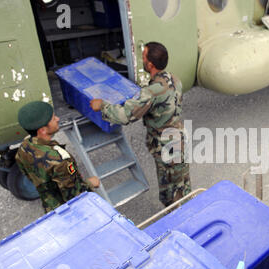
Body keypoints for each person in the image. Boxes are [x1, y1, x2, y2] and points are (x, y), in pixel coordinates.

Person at [90, 42, 191, 207]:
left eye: (143, 56)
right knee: (183, 184)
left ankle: (179, 222)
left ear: (150, 64)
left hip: (166, 146)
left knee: (171, 193)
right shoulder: (175, 79)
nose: (141, 59)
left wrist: (102, 105)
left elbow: (124, 116)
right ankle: (190, 213)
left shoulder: (150, 92)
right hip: (179, 138)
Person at [15, 101, 100, 213]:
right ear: (43, 130)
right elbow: (74, 195)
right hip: (69, 211)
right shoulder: (59, 160)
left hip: (49, 207)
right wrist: (91, 183)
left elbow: (27, 173)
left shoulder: (24, 147)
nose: (58, 119)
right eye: (53, 118)